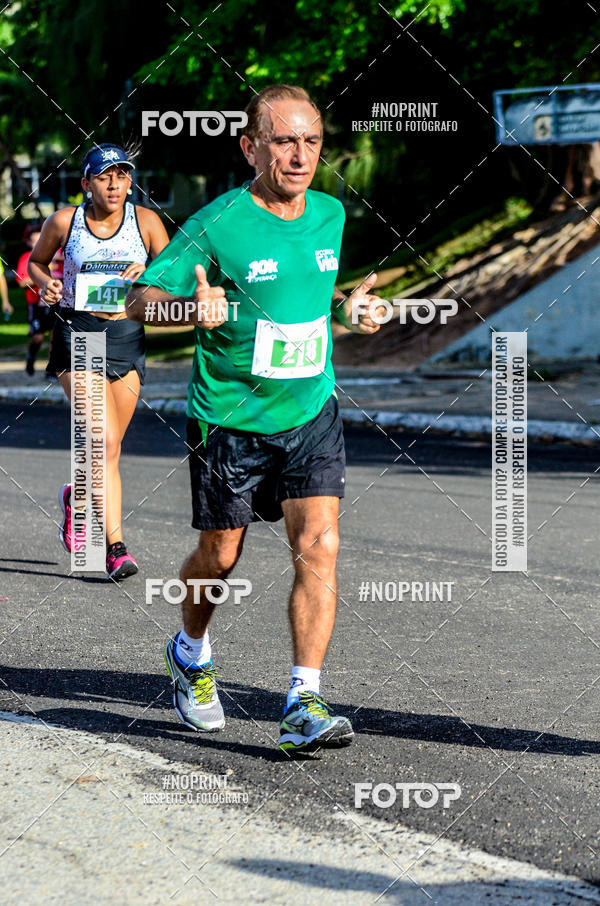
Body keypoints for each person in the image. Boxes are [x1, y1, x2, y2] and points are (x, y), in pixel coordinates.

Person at [127, 84, 384, 754]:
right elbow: (140, 301)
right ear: (250, 147)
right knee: (221, 555)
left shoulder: (330, 213)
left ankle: (303, 702)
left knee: (320, 547)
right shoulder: (218, 222)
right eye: (284, 141)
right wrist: (189, 311)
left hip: (311, 411)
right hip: (229, 420)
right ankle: (189, 650)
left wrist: (349, 314)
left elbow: (307, 298)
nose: (300, 156)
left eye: (312, 141)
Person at [28, 143, 169, 580]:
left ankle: (77, 497)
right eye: (105, 177)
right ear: (87, 183)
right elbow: (36, 264)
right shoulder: (64, 222)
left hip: (125, 336)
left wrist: (149, 274)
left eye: (122, 176)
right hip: (79, 331)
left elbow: (174, 274)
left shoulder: (146, 222)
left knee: (112, 449)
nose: (114, 184)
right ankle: (115, 548)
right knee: (102, 443)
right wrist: (45, 284)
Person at [15, 225, 54, 376]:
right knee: (38, 337)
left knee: (54, 336)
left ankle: (51, 370)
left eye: (40, 240)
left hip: (53, 302)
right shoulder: (26, 258)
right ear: (28, 242)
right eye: (34, 241)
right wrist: (39, 275)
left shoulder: (54, 255)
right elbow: (21, 282)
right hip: (35, 303)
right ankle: (31, 357)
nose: (38, 244)